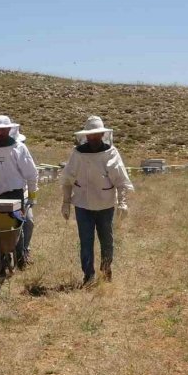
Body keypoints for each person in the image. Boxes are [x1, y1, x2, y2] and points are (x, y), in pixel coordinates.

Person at [61, 116, 133, 285]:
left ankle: (106, 270)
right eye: (90, 135)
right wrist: (65, 202)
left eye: (96, 135)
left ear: (102, 134)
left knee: (106, 239)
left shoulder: (111, 153)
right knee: (86, 241)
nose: (93, 138)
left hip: (105, 205)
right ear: (86, 136)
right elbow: (67, 179)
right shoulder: (78, 153)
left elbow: (121, 180)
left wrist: (122, 202)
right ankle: (88, 276)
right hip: (82, 205)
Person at [0, 115, 39, 269]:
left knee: (18, 228)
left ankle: (20, 260)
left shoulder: (19, 147)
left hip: (15, 195)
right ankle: (3, 260)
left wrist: (32, 195)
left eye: (3, 129)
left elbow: (31, 173)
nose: (0, 132)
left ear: (10, 129)